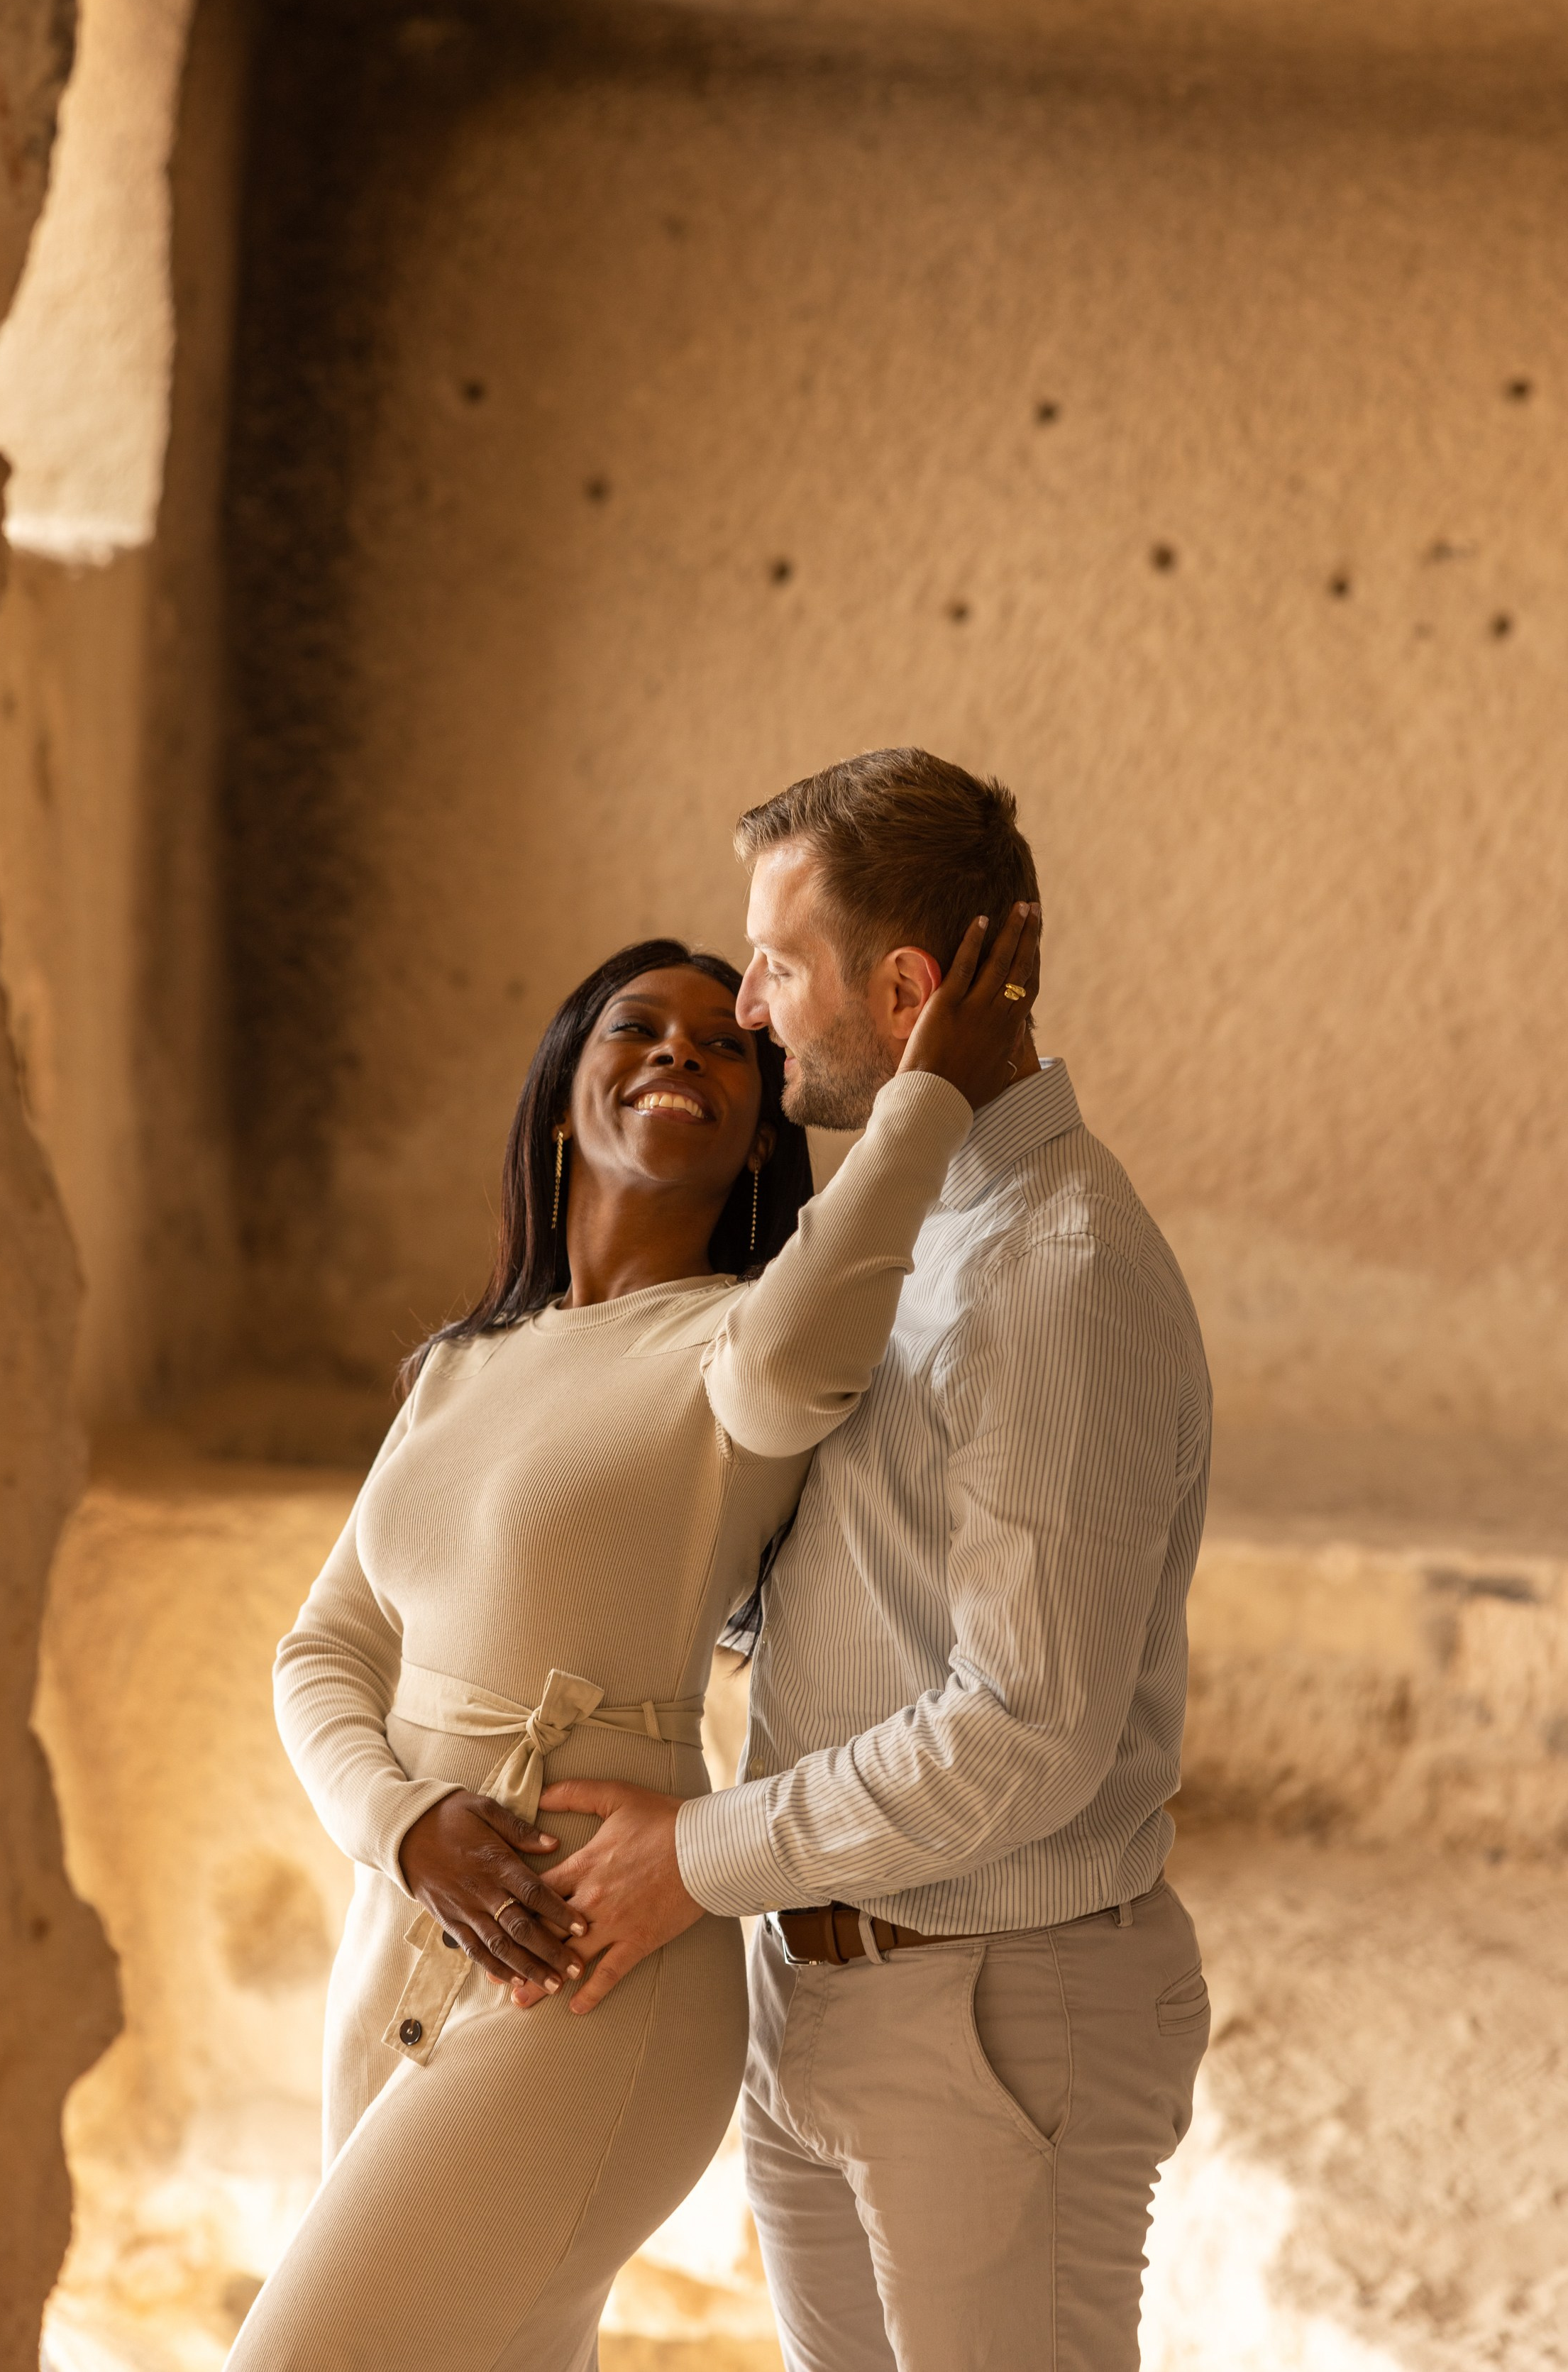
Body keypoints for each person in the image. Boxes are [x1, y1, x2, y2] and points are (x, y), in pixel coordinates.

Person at [226, 914, 1037, 2372]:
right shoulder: (462, 1368)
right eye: (637, 1028)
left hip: (586, 1971)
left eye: (731, 1045)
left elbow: (807, 1346)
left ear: (757, 1137)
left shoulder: (737, 1342)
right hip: (398, 1938)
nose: (683, 1049)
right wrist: (407, 1828)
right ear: (560, 1093)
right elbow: (321, 1650)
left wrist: (925, 1101)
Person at [532, 750, 1214, 2372]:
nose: (750, 1010)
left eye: (776, 966)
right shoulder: (908, 1229)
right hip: (828, 1983)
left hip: (992, 2015)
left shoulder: (1055, 1272)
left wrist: (693, 1852)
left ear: (906, 990)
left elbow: (1027, 1732)